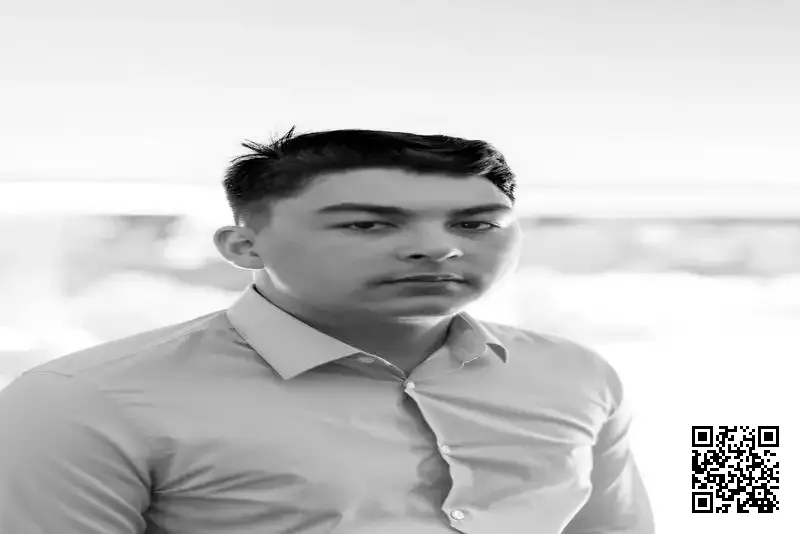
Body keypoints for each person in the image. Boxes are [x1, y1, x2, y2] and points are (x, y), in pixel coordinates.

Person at [0, 126, 655, 533]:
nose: (437, 248)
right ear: (243, 246)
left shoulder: (576, 375)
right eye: (368, 224)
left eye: (476, 223)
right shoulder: (82, 400)